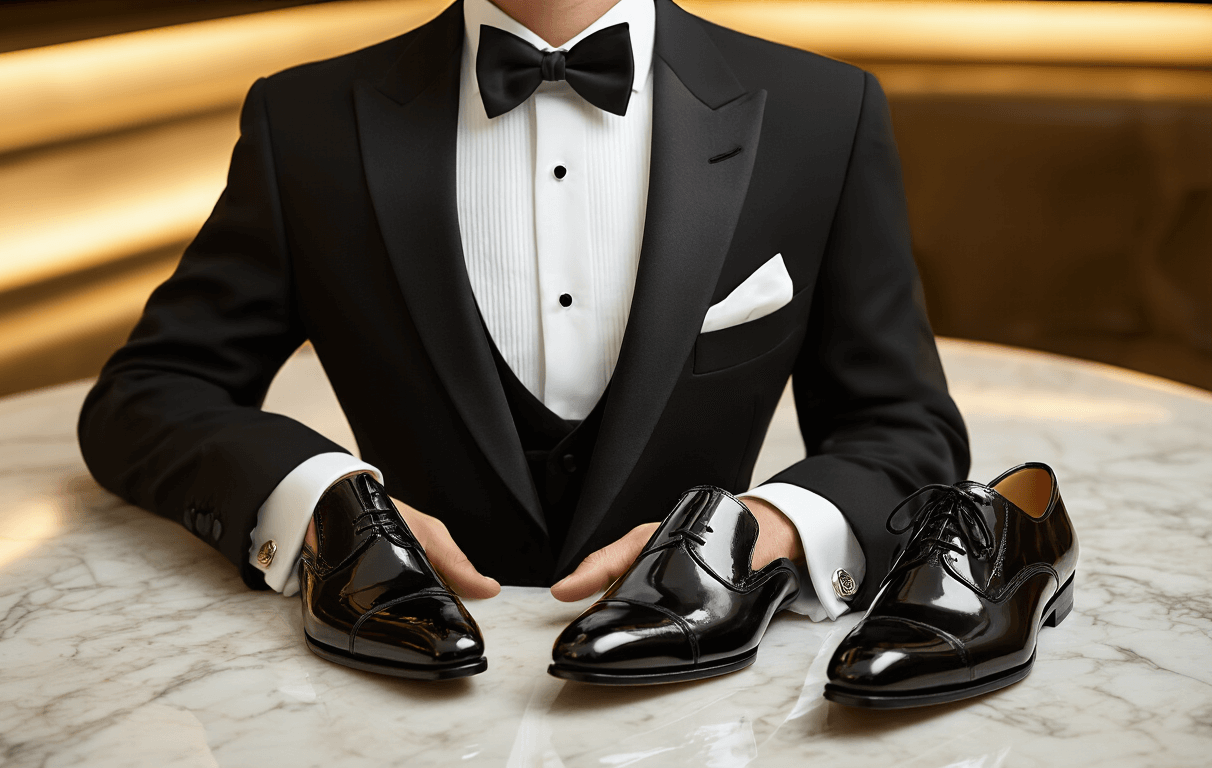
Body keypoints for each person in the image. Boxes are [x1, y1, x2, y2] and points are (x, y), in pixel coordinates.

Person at [78, 0, 969, 679]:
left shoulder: (824, 112)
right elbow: (149, 393)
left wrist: (758, 538)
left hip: (708, 691)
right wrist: (325, 505)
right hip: (387, 689)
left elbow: (902, 426)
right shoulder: (307, 120)